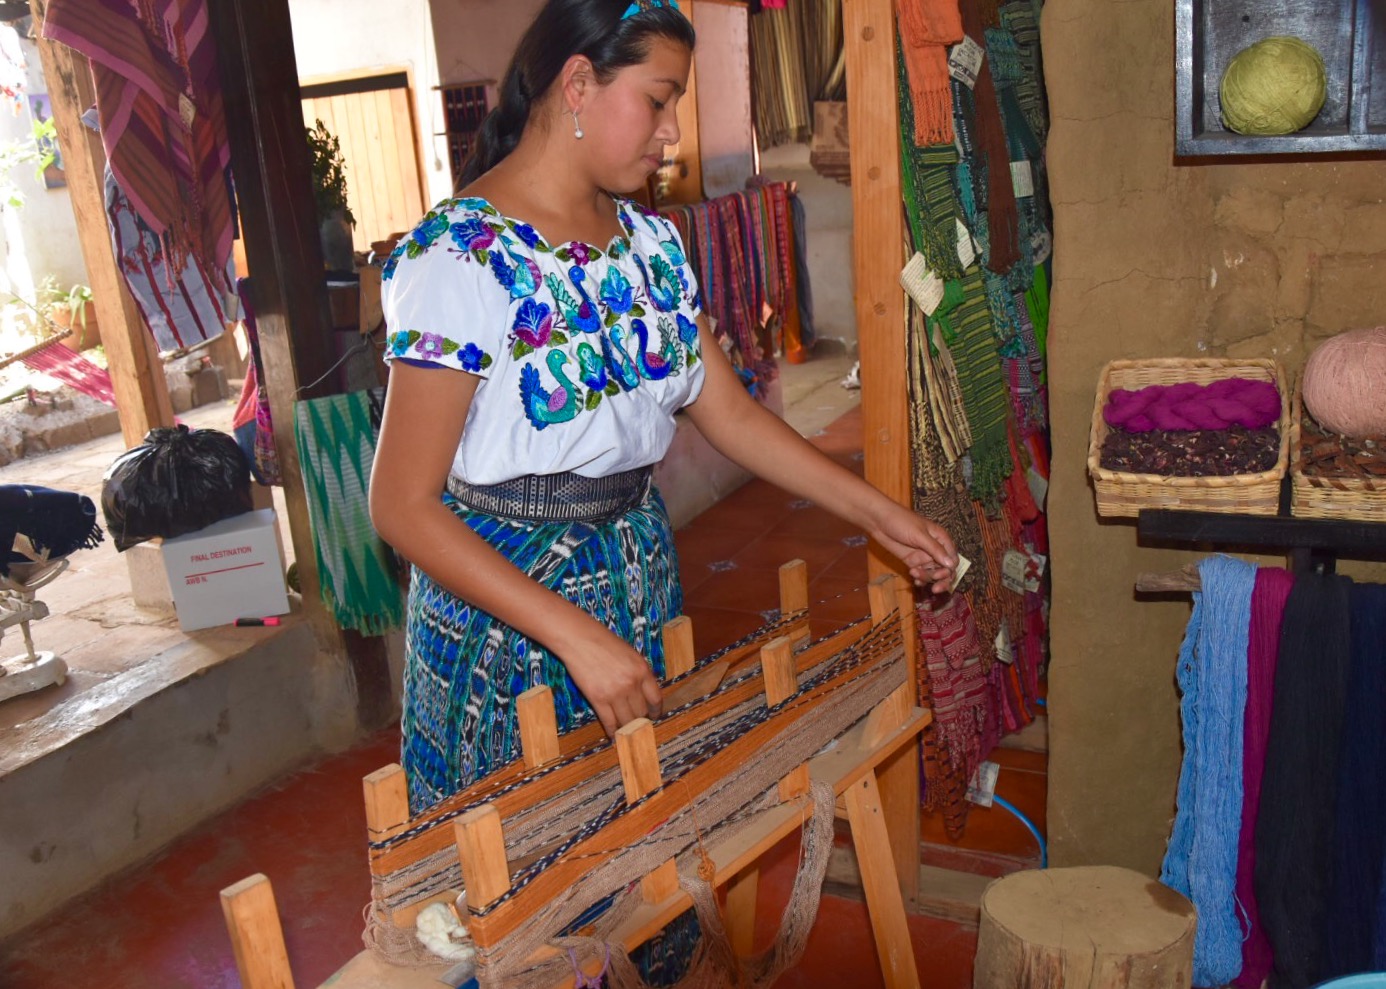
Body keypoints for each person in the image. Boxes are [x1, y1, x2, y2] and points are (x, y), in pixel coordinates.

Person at [370, 0, 956, 821]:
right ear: (578, 84)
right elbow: (400, 503)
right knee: (524, 856)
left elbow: (732, 416)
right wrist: (573, 634)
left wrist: (879, 514)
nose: (672, 131)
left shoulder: (648, 246)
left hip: (630, 580)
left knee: (635, 844)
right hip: (509, 618)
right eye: (657, 99)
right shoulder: (459, 255)